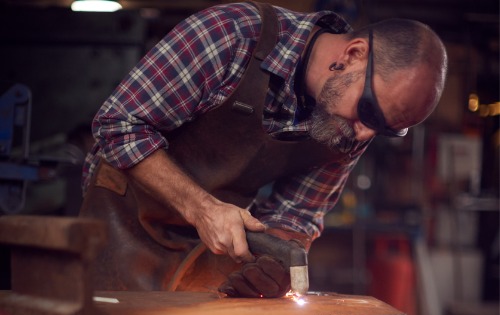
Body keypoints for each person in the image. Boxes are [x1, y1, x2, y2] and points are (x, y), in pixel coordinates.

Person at [79, 1, 447, 297]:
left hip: (207, 256)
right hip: (120, 229)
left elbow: (296, 215)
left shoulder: (349, 128)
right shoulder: (232, 34)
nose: (365, 134)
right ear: (352, 55)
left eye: (384, 129)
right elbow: (118, 125)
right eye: (369, 111)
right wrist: (203, 209)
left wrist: (277, 263)